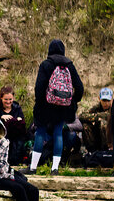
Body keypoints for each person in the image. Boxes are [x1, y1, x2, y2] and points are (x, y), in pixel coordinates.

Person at [29, 39, 84, 173]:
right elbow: (80, 87)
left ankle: (33, 167)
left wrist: (41, 103)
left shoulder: (46, 64)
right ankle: (55, 168)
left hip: (46, 106)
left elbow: (39, 87)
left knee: (40, 132)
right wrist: (73, 101)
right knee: (58, 133)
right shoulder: (70, 66)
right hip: (63, 107)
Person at [0, 85, 28, 165]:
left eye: (10, 99)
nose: (8, 102)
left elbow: (22, 122)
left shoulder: (17, 108)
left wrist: (16, 120)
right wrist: (1, 117)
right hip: (2, 134)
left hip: (16, 136)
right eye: (6, 99)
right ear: (1, 98)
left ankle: (20, 158)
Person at [79, 88, 114, 152]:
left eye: (108, 100)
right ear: (99, 99)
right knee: (85, 126)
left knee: (103, 123)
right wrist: (97, 118)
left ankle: (106, 150)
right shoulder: (97, 107)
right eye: (104, 100)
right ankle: (91, 151)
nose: (106, 103)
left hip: (111, 138)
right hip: (97, 137)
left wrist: (95, 117)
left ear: (112, 100)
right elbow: (81, 116)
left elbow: (107, 116)